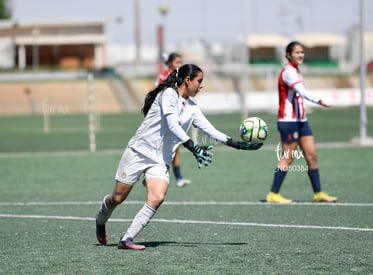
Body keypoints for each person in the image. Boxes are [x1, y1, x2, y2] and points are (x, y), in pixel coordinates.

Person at [95, 64, 262, 250]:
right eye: (199, 81)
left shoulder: (192, 107)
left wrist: (238, 145)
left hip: (160, 160)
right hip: (139, 152)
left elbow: (211, 131)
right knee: (117, 198)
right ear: (187, 80)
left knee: (157, 197)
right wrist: (193, 147)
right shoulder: (168, 94)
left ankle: (127, 239)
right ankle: (100, 220)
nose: (202, 86)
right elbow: (172, 124)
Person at [266, 41, 337, 204]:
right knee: (289, 157)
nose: (300, 55)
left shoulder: (297, 71)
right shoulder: (288, 72)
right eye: (297, 52)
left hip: (302, 120)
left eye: (302, 52)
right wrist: (319, 100)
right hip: (288, 121)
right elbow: (302, 92)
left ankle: (318, 193)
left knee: (311, 155)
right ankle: (273, 194)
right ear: (288, 55)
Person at [155, 52, 190, 187]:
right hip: (164, 117)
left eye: (181, 62)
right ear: (169, 63)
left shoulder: (182, 77)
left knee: (175, 148)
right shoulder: (164, 76)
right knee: (160, 149)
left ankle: (179, 178)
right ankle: (151, 176)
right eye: (177, 62)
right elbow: (157, 92)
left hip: (175, 116)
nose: (179, 65)